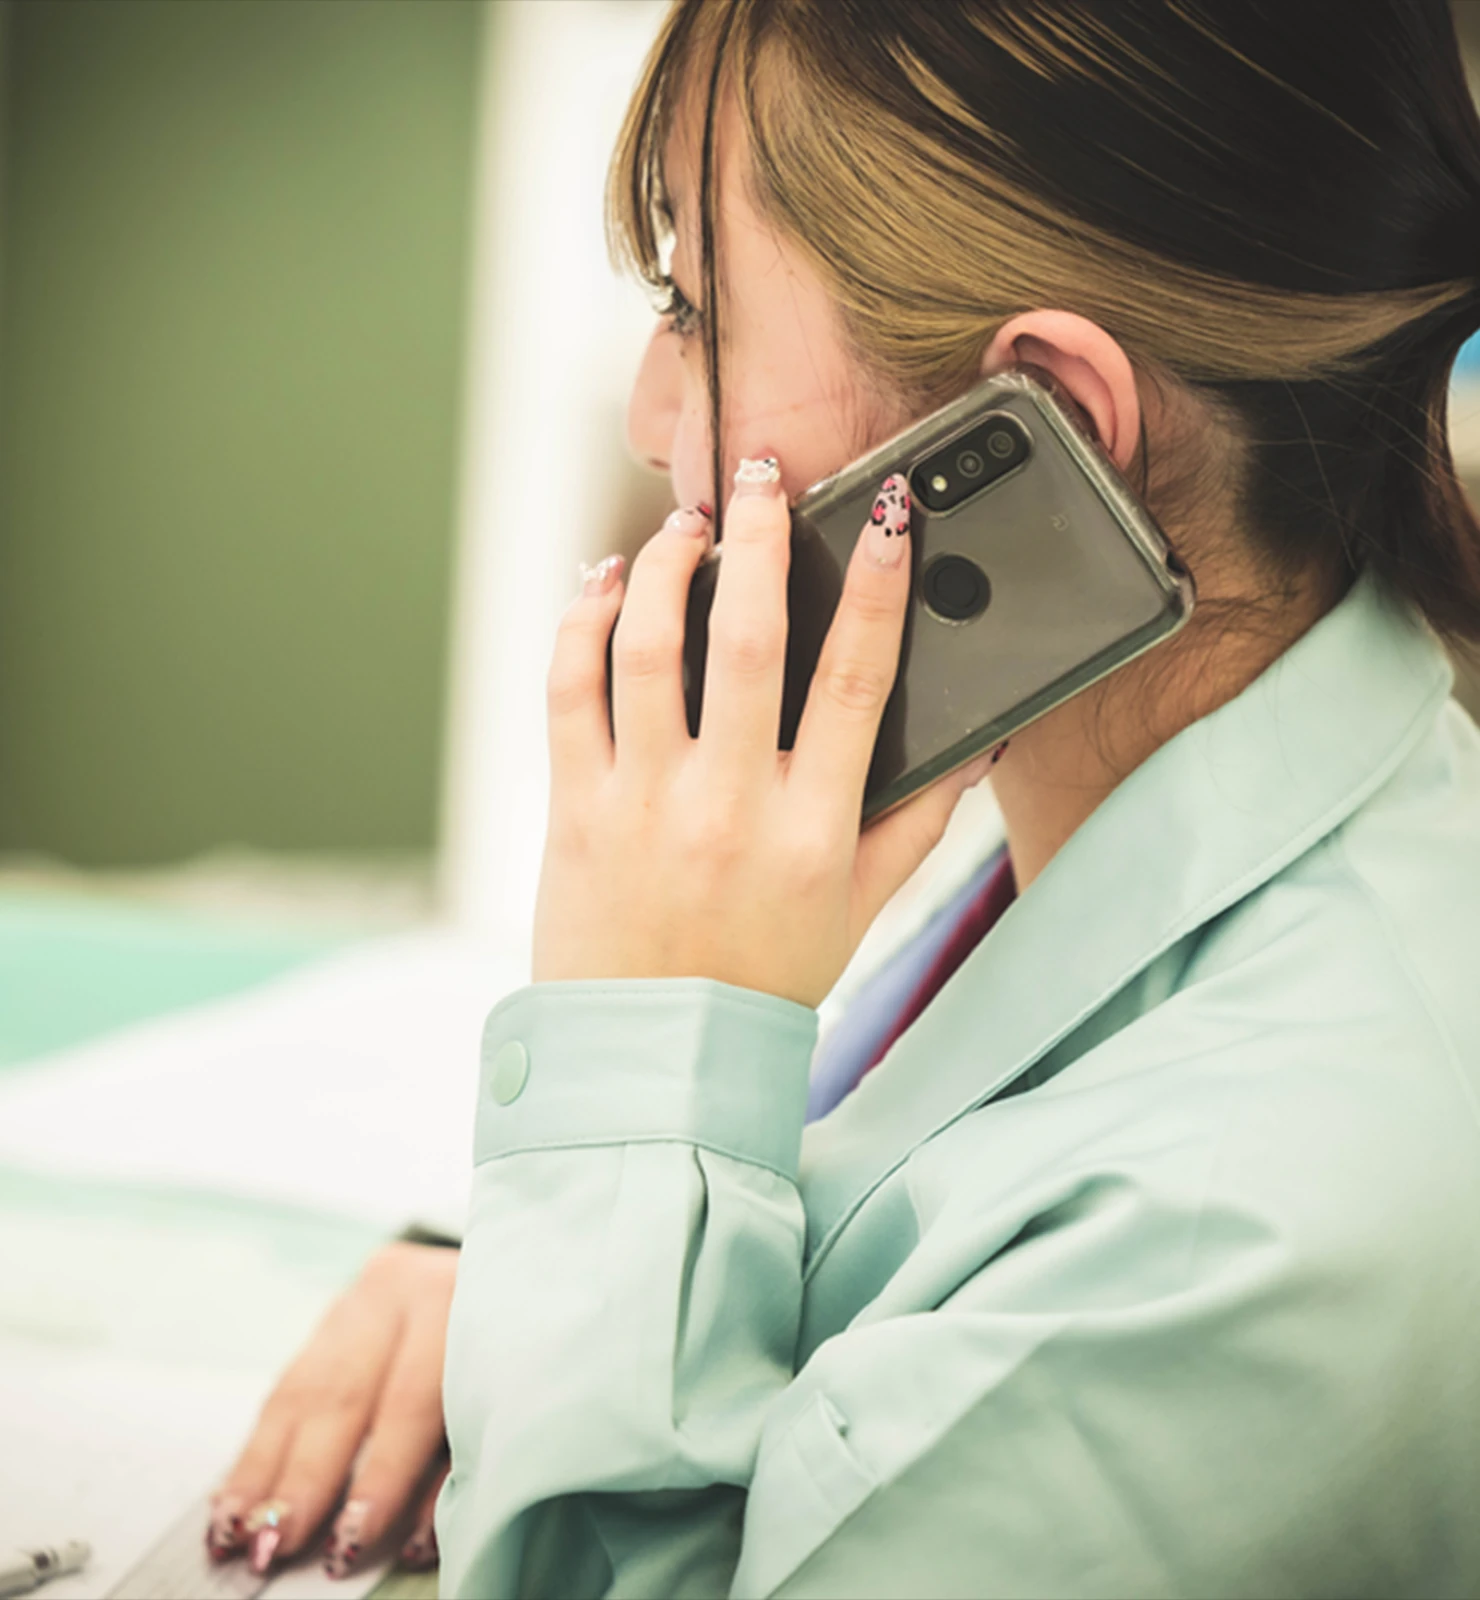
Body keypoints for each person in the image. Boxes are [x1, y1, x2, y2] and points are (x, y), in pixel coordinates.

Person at [210, 0, 1480, 1592]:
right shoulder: (1102, 804)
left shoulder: (1227, 1246)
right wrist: (541, 1272)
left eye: (692, 312)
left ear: (1052, 428)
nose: (650, 418)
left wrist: (639, 1045)